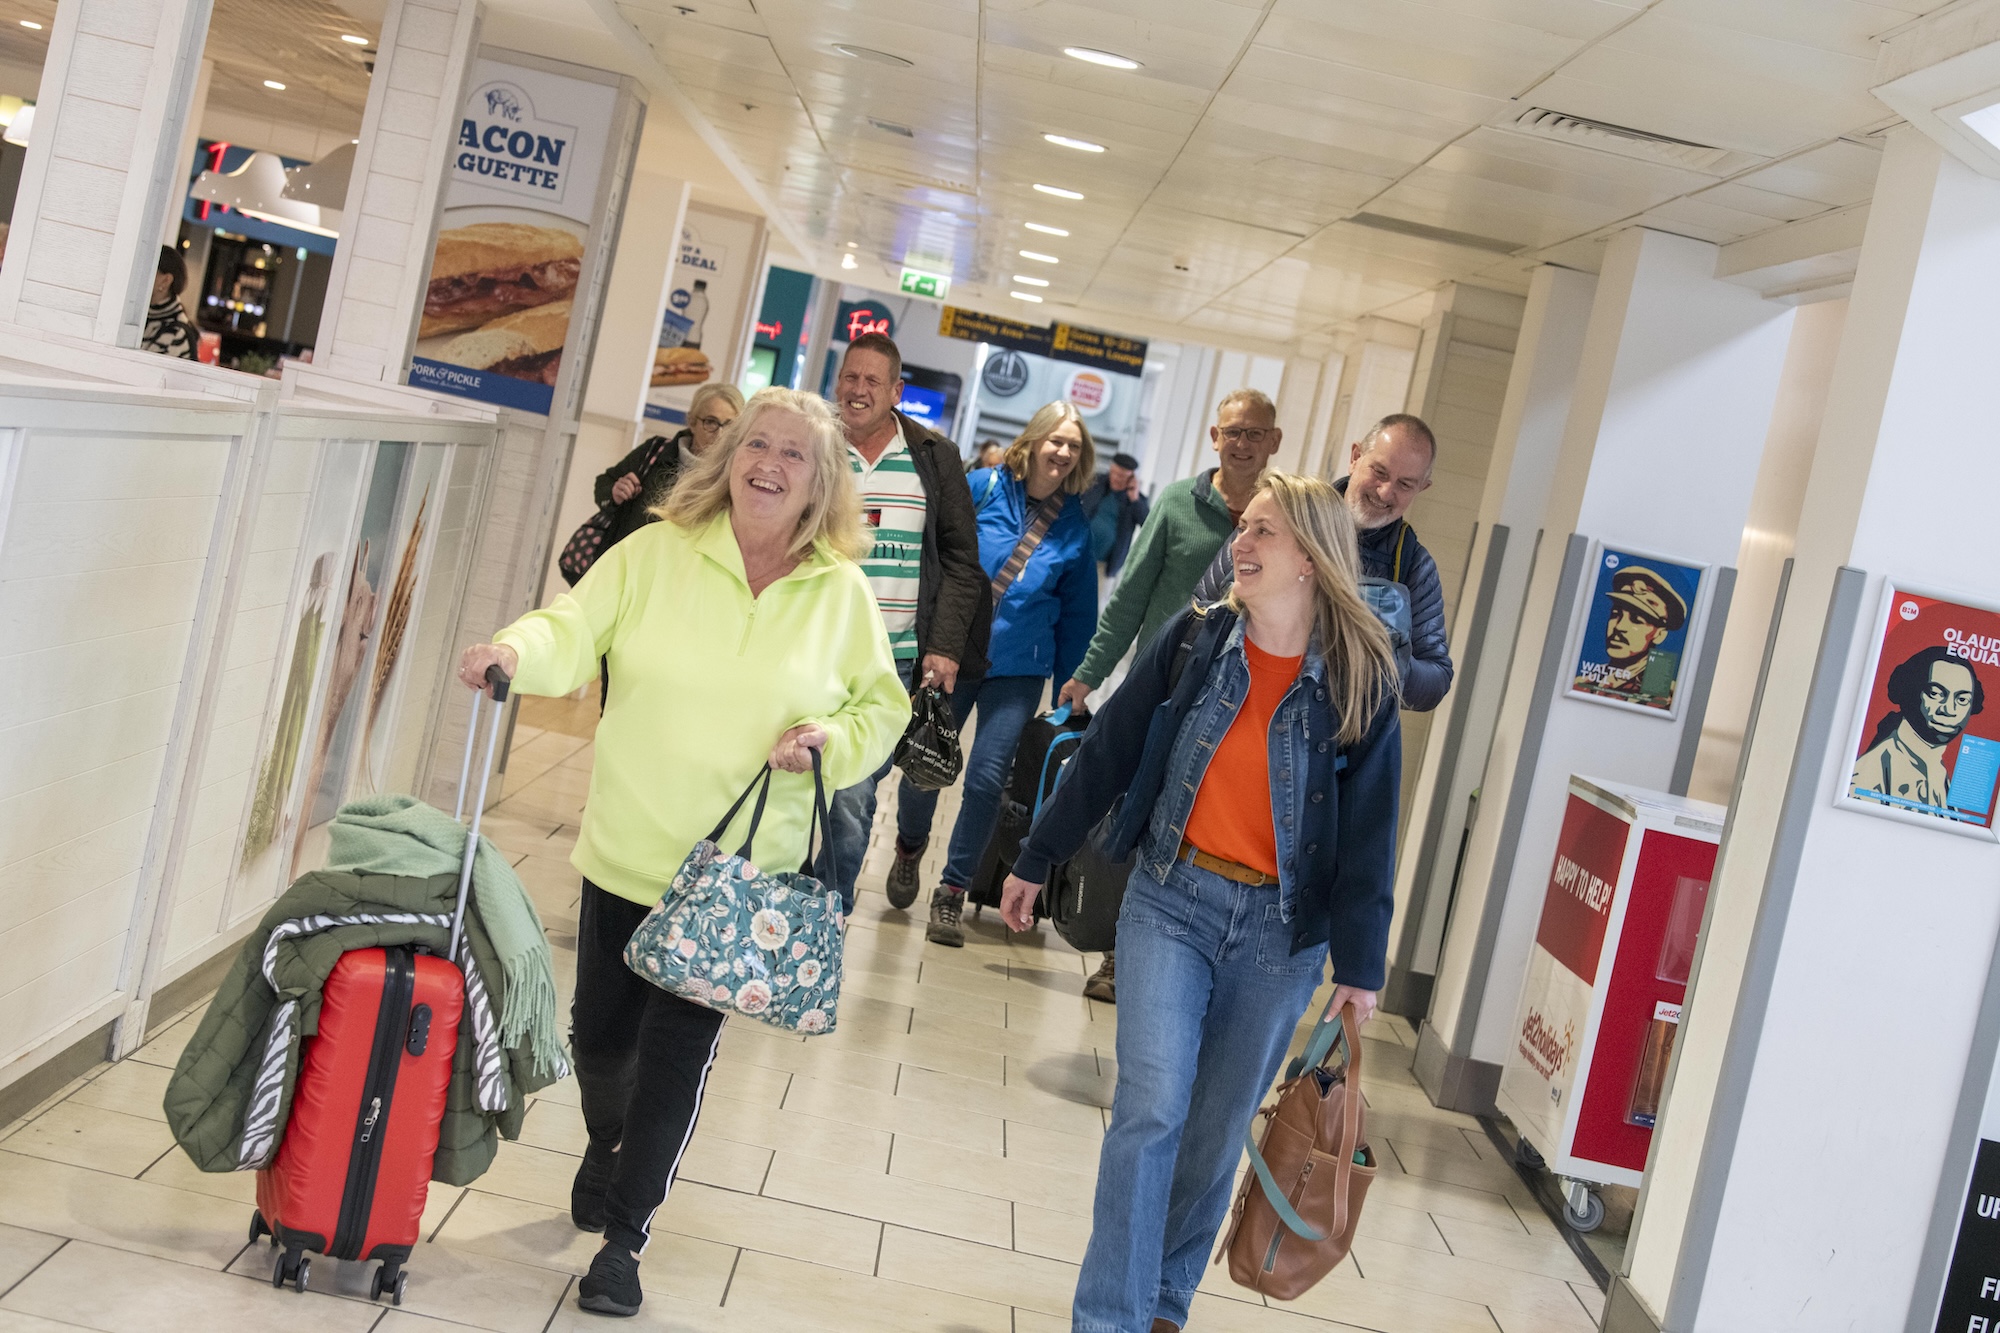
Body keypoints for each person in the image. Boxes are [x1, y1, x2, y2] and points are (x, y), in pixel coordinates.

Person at [454, 387, 908, 1319]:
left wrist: (830, 735)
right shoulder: (656, 552)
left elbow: (883, 707)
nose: (768, 463)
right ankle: (604, 1138)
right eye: (756, 444)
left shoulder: (841, 594)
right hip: (629, 849)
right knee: (601, 1040)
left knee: (677, 1058)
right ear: (728, 456)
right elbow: (571, 631)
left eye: (792, 454)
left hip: (741, 874)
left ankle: (625, 1238)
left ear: (820, 483)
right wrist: (511, 650)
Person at [999, 472, 1401, 1333]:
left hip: (1279, 935)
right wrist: (1038, 854)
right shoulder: (1200, 639)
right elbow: (1107, 748)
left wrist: (1362, 967)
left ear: (1311, 559)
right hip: (1170, 901)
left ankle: (1165, 1305)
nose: (1240, 545)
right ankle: (1110, 1317)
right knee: (1151, 1108)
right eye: (1241, 528)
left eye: (1262, 532)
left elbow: (1372, 834)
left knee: (1215, 1133)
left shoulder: (1360, 679)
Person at [1056, 388, 1283, 1002]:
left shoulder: (1280, 514)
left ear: (1274, 442)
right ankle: (1115, 954)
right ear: (1214, 437)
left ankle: (1185, 954)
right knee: (1140, 814)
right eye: (1231, 432)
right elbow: (1131, 595)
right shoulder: (1179, 503)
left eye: (1254, 433)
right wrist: (1090, 672)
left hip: (1240, 703)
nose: (1241, 443)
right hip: (1162, 691)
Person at [888, 402, 1099, 946]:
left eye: (1073, 446)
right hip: (954, 655)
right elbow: (937, 560)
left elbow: (1078, 611)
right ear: (1032, 442)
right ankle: (910, 846)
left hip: (1019, 669)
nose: (1063, 452)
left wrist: (1074, 679)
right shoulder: (980, 487)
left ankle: (952, 892)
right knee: (923, 767)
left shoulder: (1075, 524)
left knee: (985, 780)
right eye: (1056, 440)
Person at [821, 332, 991, 910]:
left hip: (890, 661)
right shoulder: (814, 445)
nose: (858, 390)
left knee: (851, 799)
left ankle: (828, 920)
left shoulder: (934, 457)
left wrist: (943, 649)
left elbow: (963, 562)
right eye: (850, 377)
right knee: (790, 788)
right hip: (807, 649)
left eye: (873, 381)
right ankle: (774, 910)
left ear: (896, 391)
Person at [1196, 412, 1456, 712]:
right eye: (1380, 472)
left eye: (1405, 484)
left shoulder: (1413, 567)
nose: (1386, 491)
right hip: (1230, 705)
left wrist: (1382, 654)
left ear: (1422, 488)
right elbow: (1202, 606)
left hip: (1328, 743)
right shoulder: (1285, 511)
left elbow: (1436, 680)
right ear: (1355, 457)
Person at [590, 383, 744, 558]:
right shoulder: (656, 451)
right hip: (630, 560)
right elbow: (604, 484)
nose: (720, 434)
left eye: (730, 425)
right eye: (710, 422)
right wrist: (615, 492)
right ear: (692, 422)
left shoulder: (733, 475)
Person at [1851, 645, 1985, 817]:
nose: (1949, 709)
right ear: (1911, 691)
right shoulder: (1874, 768)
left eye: (1962, 699)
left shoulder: (1938, 772)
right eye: (1935, 693)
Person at [1571, 564, 1688, 708]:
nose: (1619, 626)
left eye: (1636, 620)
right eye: (1615, 614)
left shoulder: (1665, 698)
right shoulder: (1582, 682)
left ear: (1659, 634)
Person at [1080, 451, 1149, 577]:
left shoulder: (1137, 500)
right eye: (1114, 473)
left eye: (1122, 476)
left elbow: (1147, 524)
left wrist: (1134, 498)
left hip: (1104, 564)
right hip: (1078, 553)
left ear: (1131, 478)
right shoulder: (1095, 482)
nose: (1116, 478)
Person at [142, 245, 198, 360]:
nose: (141, 273)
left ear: (166, 280)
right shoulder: (144, 316)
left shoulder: (176, 332)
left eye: (148, 268)